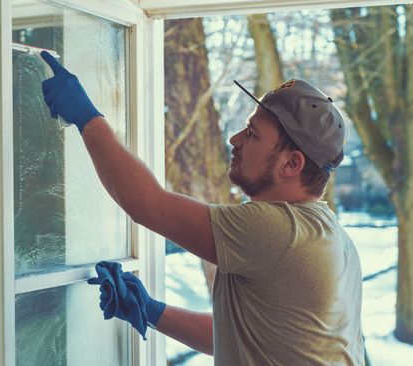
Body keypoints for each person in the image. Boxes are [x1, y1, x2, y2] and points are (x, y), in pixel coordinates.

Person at [40, 51, 364, 365]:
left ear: (291, 163)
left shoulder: (282, 231)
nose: (234, 139)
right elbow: (239, 337)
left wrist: (86, 118)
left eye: (252, 134)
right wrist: (151, 310)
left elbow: (149, 206)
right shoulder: (329, 235)